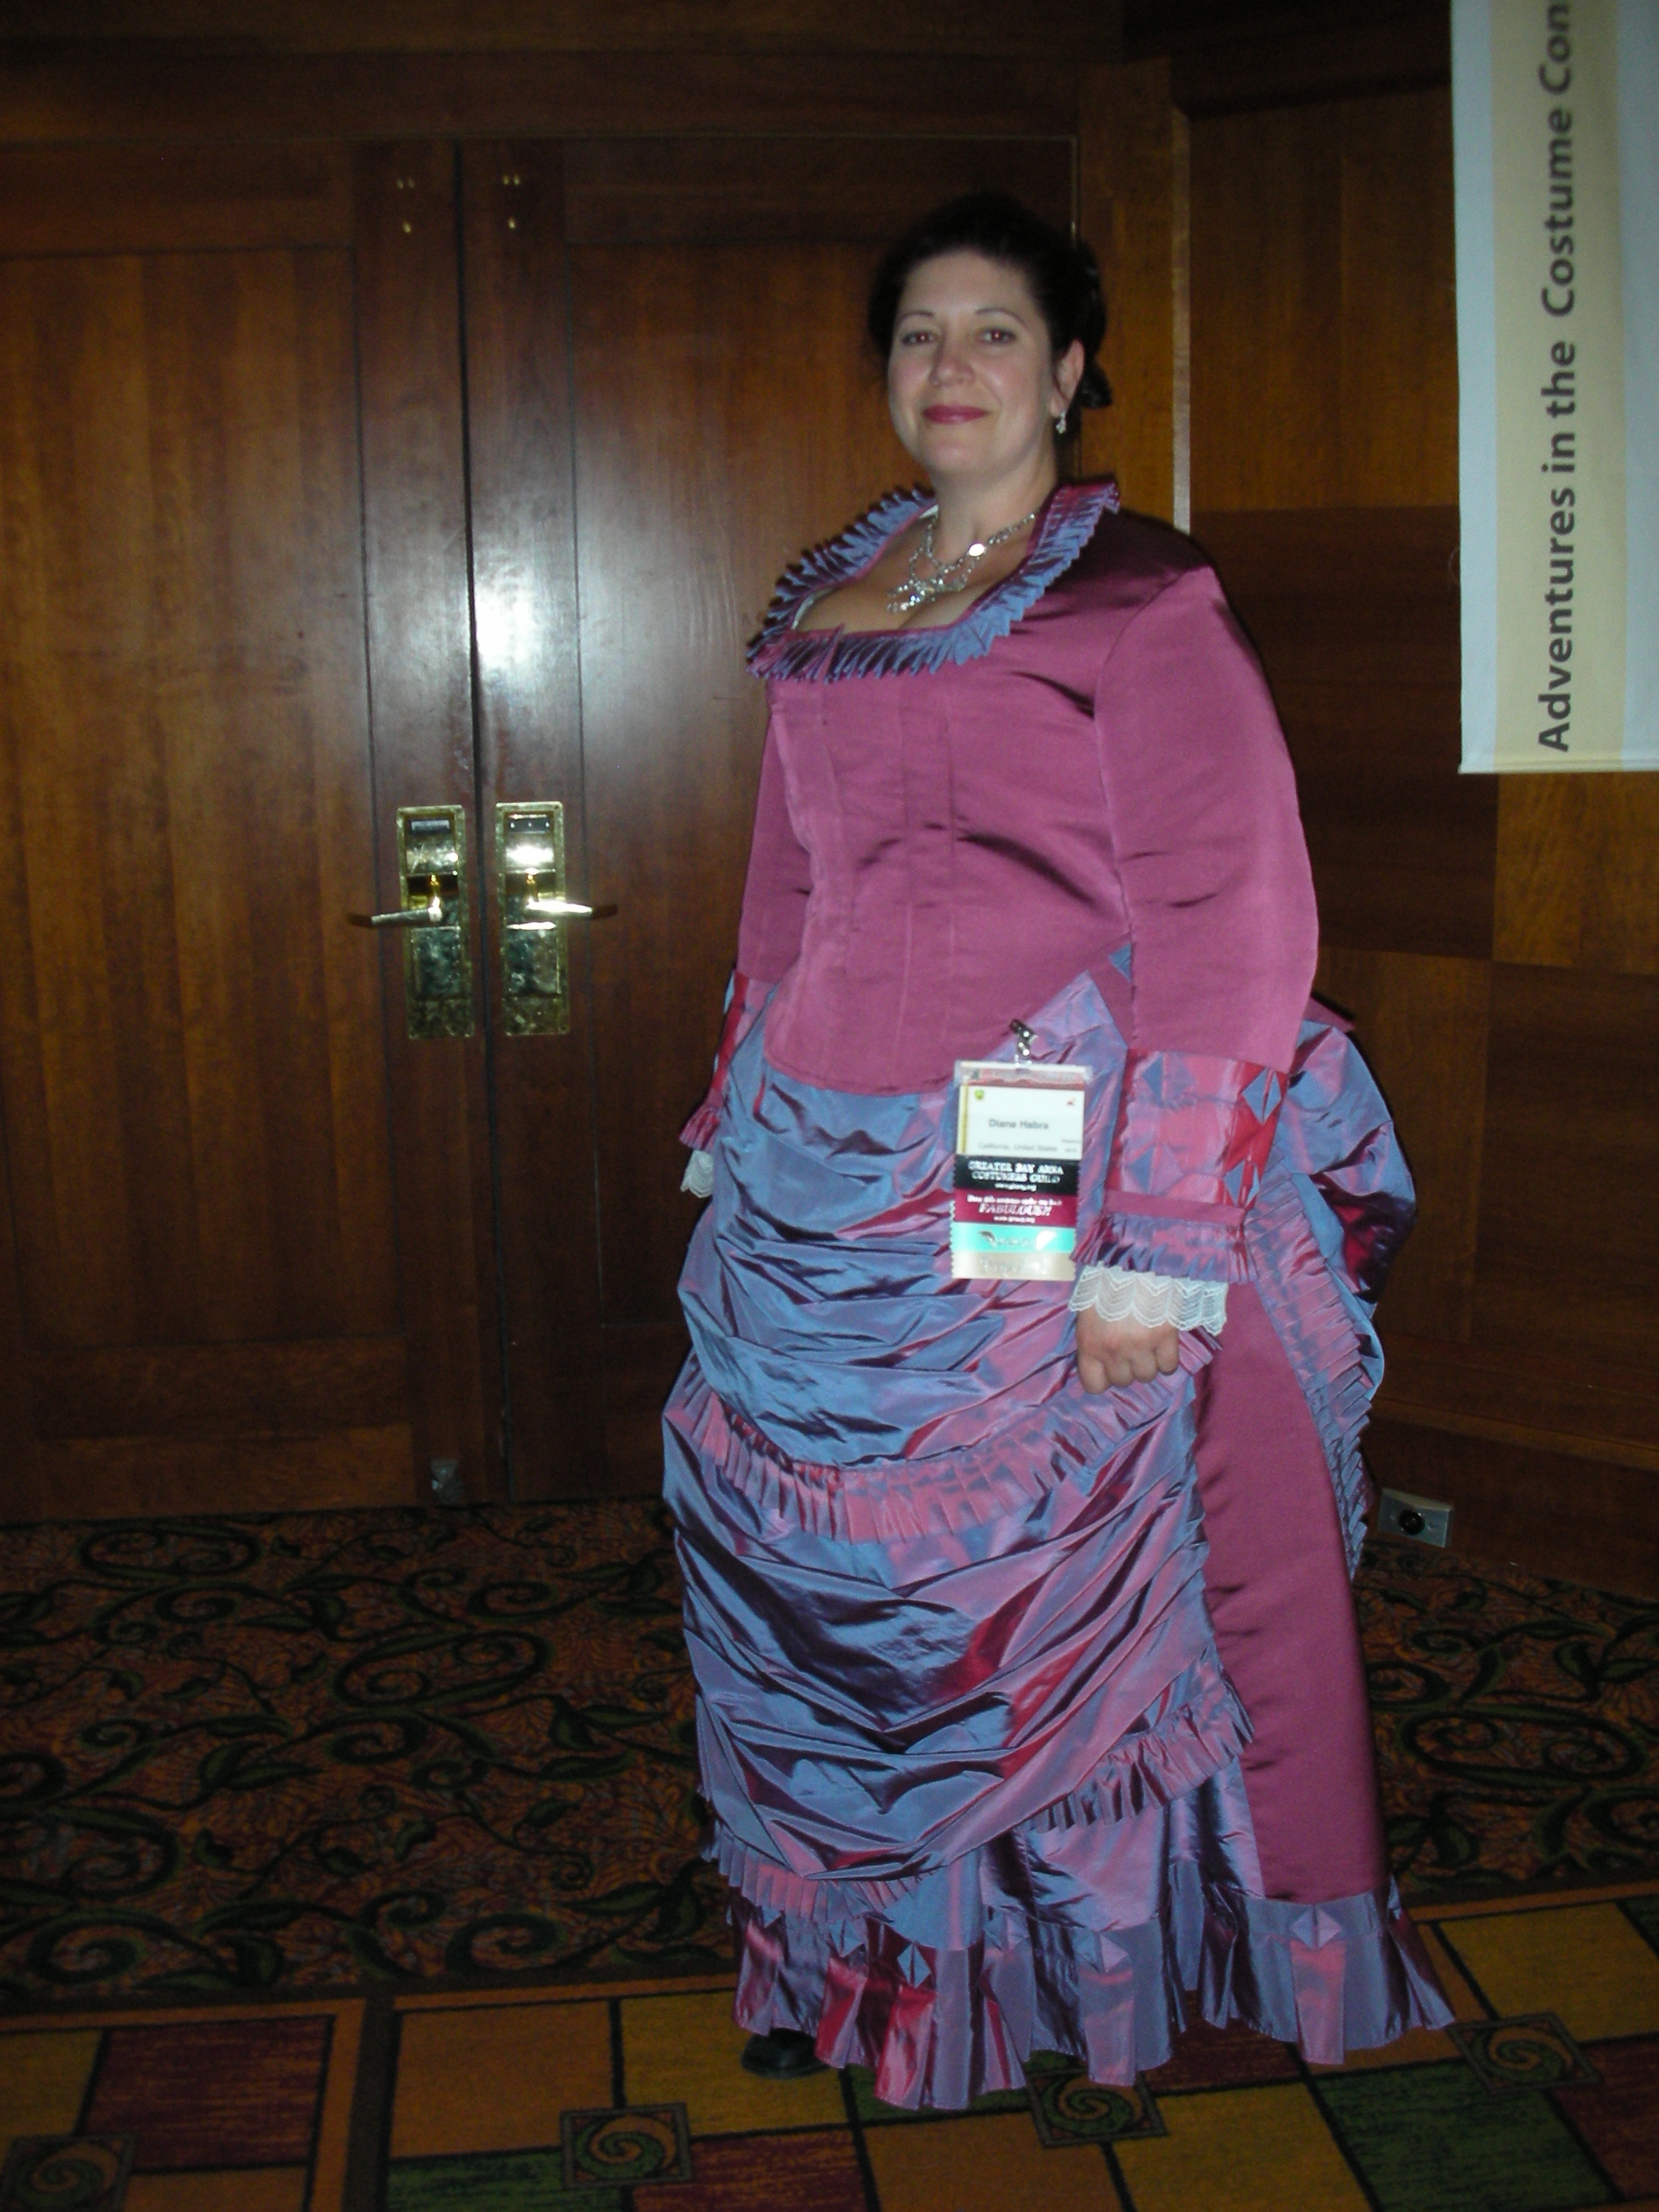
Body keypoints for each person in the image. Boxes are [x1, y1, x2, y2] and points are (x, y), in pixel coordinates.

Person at [664, 190, 1449, 2112]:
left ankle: (1042, 1971)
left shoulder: (1138, 603)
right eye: (919, 334)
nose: (952, 368)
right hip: (817, 1188)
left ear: (1071, 367)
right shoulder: (834, 604)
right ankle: (851, 1944)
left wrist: (1157, 1244)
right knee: (813, 1598)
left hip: (1046, 1162)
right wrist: (730, 1126)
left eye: (995, 332)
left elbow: (1233, 920)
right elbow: (786, 894)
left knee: (998, 1596)